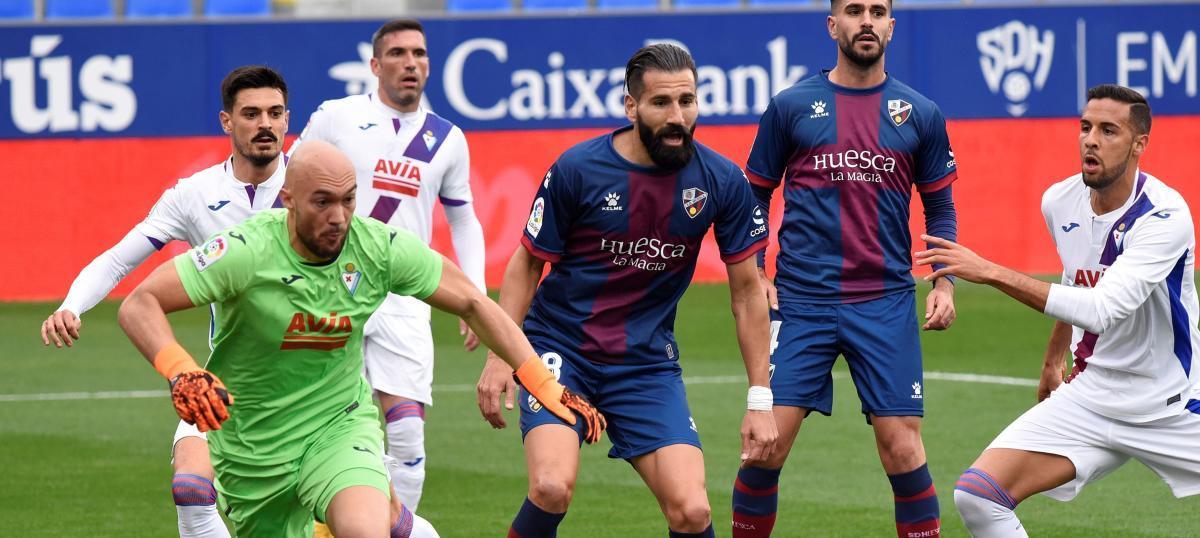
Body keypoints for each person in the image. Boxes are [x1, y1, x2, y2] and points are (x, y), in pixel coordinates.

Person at [116, 140, 604, 538]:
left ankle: (382, 516)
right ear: (288, 199)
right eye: (322, 202)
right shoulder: (245, 251)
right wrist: (181, 369)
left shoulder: (376, 247)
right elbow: (139, 304)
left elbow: (475, 303)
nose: (339, 216)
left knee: (363, 529)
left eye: (348, 199)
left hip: (338, 427)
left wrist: (544, 384)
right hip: (251, 448)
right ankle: (398, 524)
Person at [475, 43, 777, 538]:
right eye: (661, 103)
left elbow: (748, 293)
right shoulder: (577, 169)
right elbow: (528, 264)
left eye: (688, 101)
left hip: (644, 366)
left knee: (694, 511)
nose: (677, 116)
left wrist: (761, 400)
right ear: (631, 106)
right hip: (559, 350)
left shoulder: (722, 180)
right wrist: (499, 357)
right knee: (552, 487)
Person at [915, 84, 1200, 537]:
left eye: (1109, 131)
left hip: (1170, 403)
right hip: (1092, 396)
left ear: (1139, 144)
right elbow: (1076, 276)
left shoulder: (1164, 217)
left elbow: (1102, 308)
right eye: (1085, 127)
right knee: (977, 496)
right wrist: (1053, 358)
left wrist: (990, 271)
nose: (1091, 139)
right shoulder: (1060, 202)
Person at [730, 1, 959, 536]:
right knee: (765, 447)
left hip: (885, 300)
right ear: (833, 25)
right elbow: (753, 197)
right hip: (801, 302)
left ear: (891, 27)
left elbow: (940, 206)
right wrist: (758, 273)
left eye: (878, 10)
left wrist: (944, 280)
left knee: (902, 449)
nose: (867, 20)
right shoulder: (791, 106)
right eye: (854, 10)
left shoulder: (919, 112)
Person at [40, 65, 291, 538]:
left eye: (275, 113)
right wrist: (73, 305)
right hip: (230, 380)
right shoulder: (195, 196)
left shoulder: (316, 187)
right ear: (226, 121)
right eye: (252, 113)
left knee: (371, 522)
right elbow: (117, 261)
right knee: (193, 493)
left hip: (311, 386)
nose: (266, 125)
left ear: (287, 118)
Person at [290, 18, 485, 511]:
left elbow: (463, 221)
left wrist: (474, 297)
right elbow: (286, 194)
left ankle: (396, 526)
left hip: (402, 298)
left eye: (419, 54)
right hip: (330, 289)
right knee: (324, 429)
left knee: (408, 439)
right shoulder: (337, 117)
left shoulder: (447, 139)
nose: (410, 63)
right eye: (397, 54)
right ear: (375, 65)